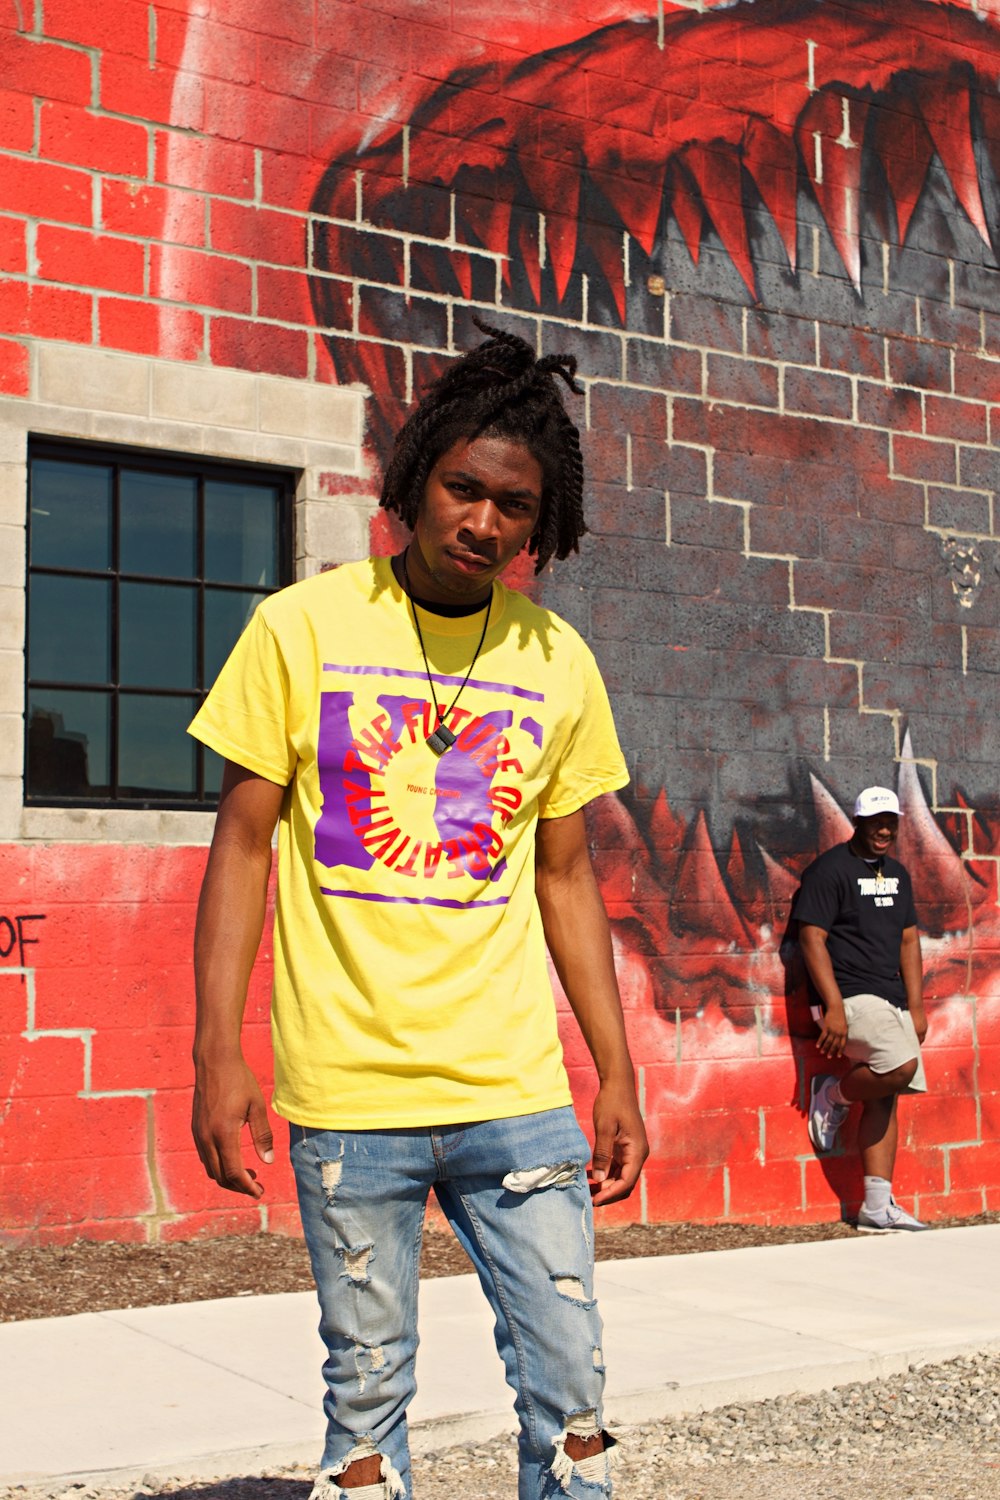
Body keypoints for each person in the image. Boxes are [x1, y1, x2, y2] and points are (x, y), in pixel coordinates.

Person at [188, 321, 649, 1500]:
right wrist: (215, 1052)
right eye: (461, 490)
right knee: (364, 1398)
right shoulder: (302, 629)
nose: (483, 524)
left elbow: (563, 880)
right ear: (412, 480)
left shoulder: (557, 662)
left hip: (515, 1093)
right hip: (350, 1096)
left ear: (543, 525)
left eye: (513, 507)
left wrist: (616, 1070)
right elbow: (242, 846)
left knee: (571, 1390)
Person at [796, 785, 928, 1232]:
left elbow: (909, 940)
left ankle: (875, 1206)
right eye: (875, 822)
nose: (884, 830)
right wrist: (832, 1005)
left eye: (890, 821)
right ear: (858, 823)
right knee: (901, 1066)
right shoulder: (829, 871)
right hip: (846, 998)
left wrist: (916, 1006)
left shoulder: (898, 874)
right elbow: (811, 939)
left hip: (889, 998)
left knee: (886, 1092)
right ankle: (833, 1094)